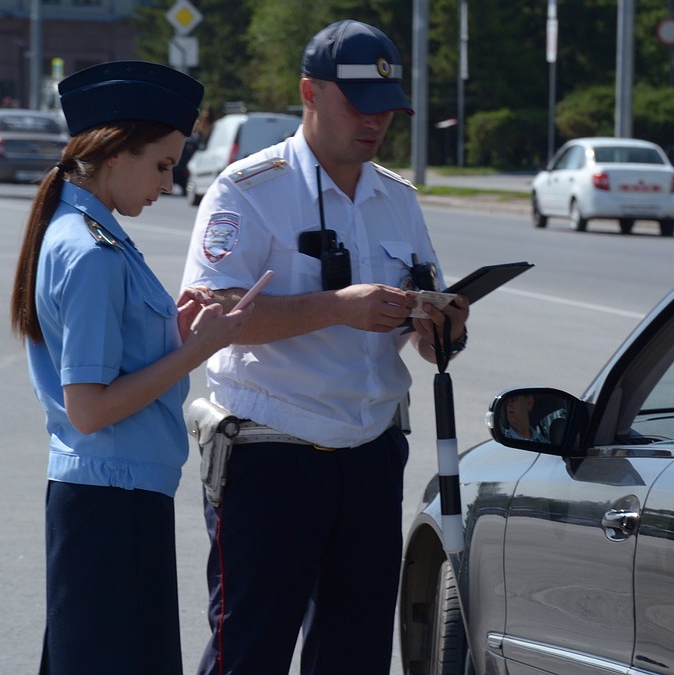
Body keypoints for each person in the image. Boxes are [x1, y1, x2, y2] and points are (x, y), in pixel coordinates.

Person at [181, 19, 470, 675]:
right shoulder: (249, 190)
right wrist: (335, 308)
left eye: (387, 113)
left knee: (355, 654)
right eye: (359, 107)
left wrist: (442, 327)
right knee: (249, 651)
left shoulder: (396, 199)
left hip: (368, 457)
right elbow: (213, 315)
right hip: (270, 455)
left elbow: (432, 335)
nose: (375, 125)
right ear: (310, 93)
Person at [10, 61, 251, 674]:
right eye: (162, 165)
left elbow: (113, 363)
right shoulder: (91, 249)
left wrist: (179, 334)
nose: (168, 183)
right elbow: (89, 408)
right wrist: (199, 349)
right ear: (115, 153)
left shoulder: (90, 233)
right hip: (109, 502)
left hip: (115, 497)